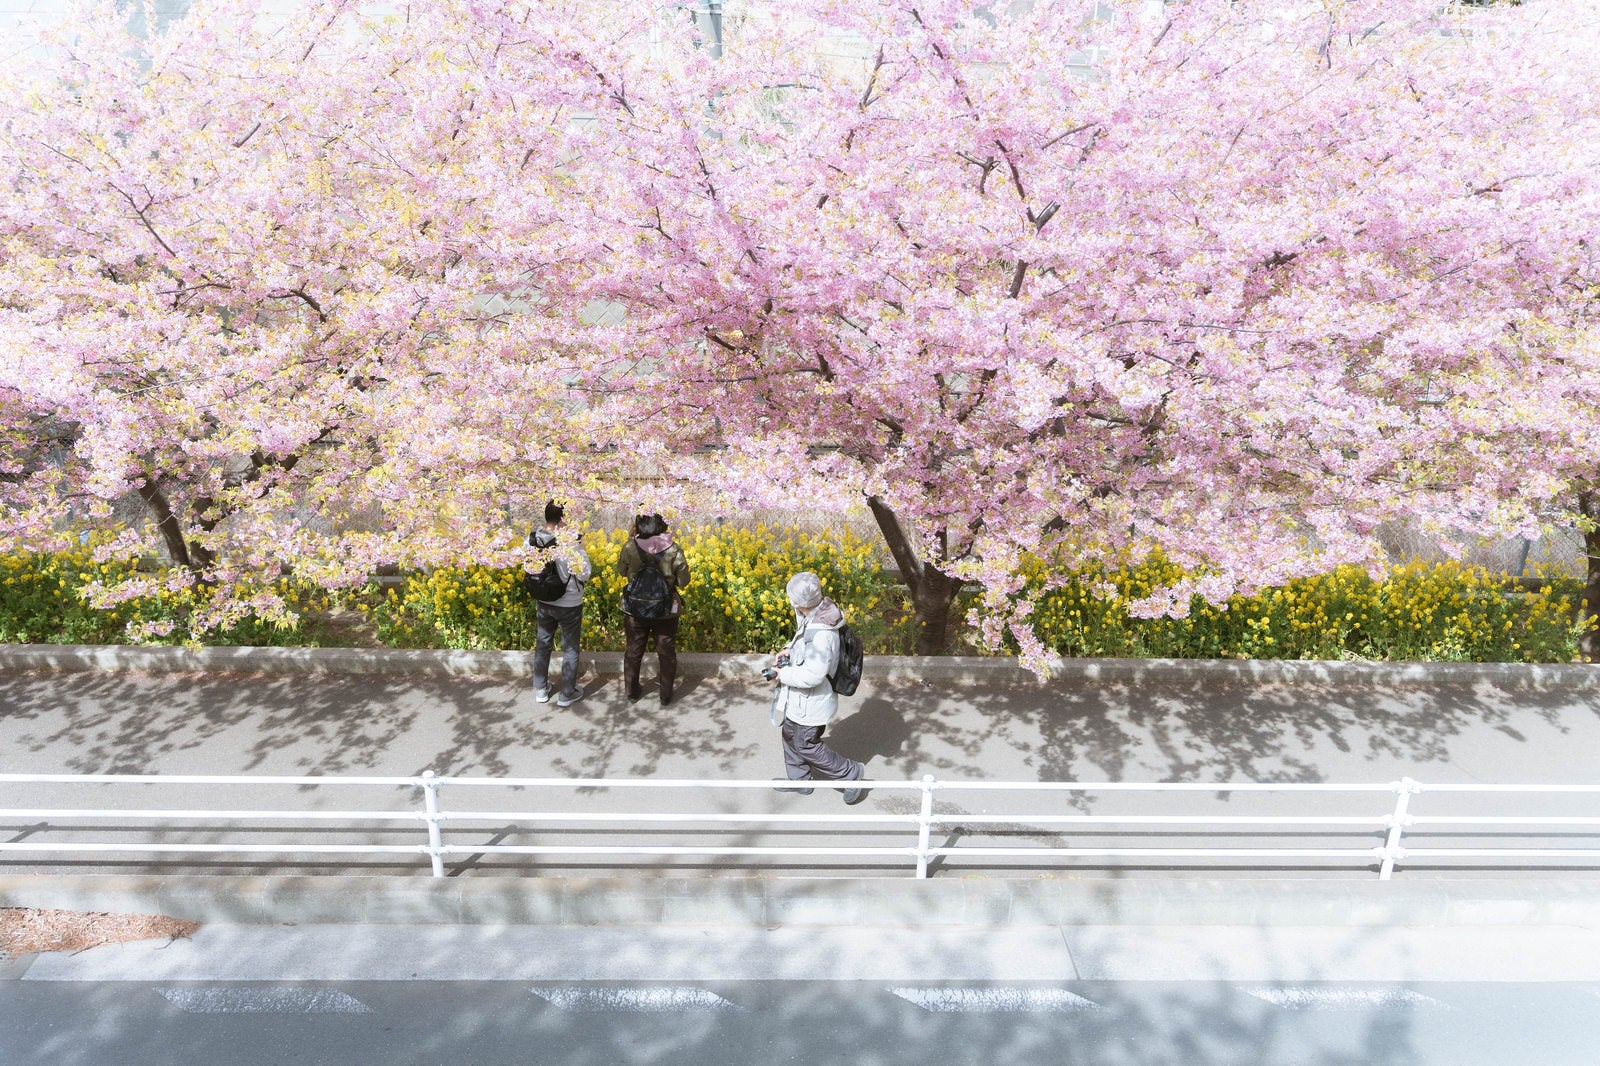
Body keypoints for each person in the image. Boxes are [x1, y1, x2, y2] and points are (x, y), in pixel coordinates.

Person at [765, 571, 867, 804]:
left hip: (812, 700)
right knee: (790, 735)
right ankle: (800, 780)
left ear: (798, 602)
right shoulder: (816, 614)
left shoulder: (822, 633)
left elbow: (813, 674)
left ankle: (850, 774)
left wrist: (784, 674)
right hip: (802, 700)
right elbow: (806, 647)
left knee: (805, 743)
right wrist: (790, 651)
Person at [617, 512, 691, 706]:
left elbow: (621, 571)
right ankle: (665, 695)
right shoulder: (674, 549)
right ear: (661, 525)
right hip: (665, 609)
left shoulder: (629, 546)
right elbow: (684, 581)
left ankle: (631, 692)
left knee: (633, 649)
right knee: (666, 651)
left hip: (634, 607)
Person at [528, 499, 592, 707]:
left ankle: (540, 689)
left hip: (544, 601)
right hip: (570, 603)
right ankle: (566, 693)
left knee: (543, 642)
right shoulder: (571, 543)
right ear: (563, 519)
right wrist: (581, 549)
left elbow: (529, 569)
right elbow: (584, 573)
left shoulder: (531, 539)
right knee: (570, 647)